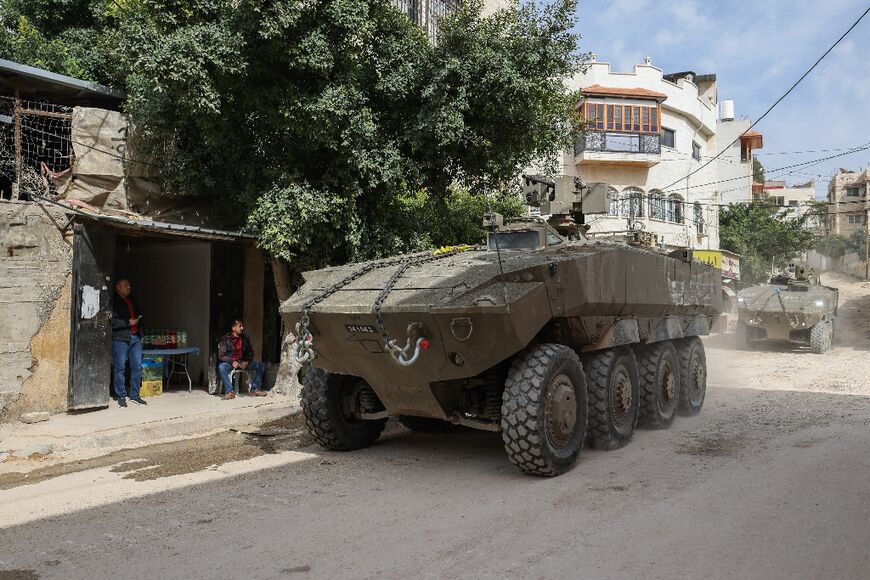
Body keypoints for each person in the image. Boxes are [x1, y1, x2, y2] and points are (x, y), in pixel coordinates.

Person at [111, 278, 148, 407]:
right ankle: (121, 396)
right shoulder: (113, 301)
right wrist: (127, 323)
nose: (129, 287)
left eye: (129, 285)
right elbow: (111, 321)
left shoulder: (132, 299)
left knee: (137, 367)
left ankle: (135, 395)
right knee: (120, 368)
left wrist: (141, 334)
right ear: (118, 287)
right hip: (121, 338)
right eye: (126, 285)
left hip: (135, 337)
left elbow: (140, 316)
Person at [217, 318, 267, 400]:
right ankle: (230, 392)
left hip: (243, 362)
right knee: (222, 367)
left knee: (261, 365)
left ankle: (254, 389)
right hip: (231, 363)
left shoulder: (244, 339)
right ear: (233, 328)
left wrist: (246, 362)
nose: (242, 328)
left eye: (242, 326)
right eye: (240, 326)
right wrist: (232, 361)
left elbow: (251, 352)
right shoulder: (225, 339)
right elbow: (221, 355)